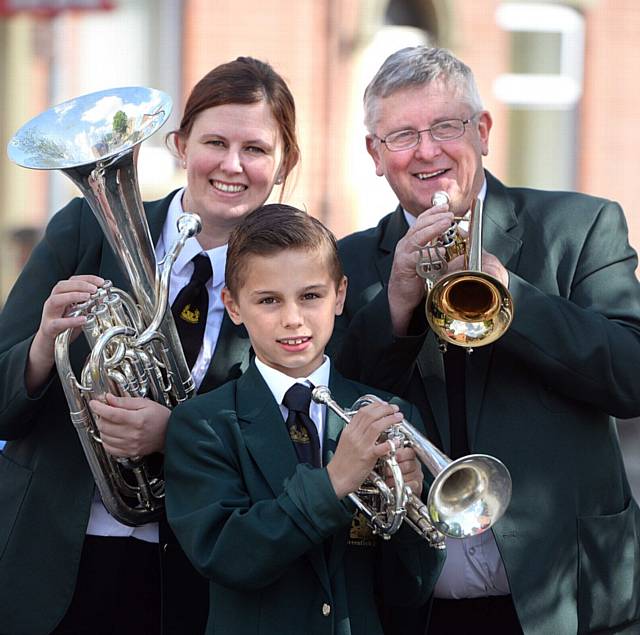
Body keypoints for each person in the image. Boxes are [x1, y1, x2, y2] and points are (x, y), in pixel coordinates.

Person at [332, 46, 640, 635]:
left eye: (446, 126)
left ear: (484, 131)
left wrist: (508, 294)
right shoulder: (347, 262)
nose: (427, 151)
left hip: (569, 595)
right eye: (402, 135)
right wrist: (397, 301)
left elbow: (631, 376)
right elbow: (336, 408)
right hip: (420, 604)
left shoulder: (580, 227)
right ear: (375, 153)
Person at [0, 56, 300, 635]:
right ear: (180, 144)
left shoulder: (296, 275)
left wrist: (176, 433)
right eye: (215, 141)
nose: (232, 165)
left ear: (284, 159)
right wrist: (41, 350)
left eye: (257, 149)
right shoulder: (85, 229)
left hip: (192, 580)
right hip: (49, 561)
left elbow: (292, 439)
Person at [164, 204, 445, 635]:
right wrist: (334, 483)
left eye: (310, 296)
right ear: (233, 307)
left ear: (340, 295)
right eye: (268, 300)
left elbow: (412, 589)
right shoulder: (203, 423)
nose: (293, 318)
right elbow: (228, 556)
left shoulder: (390, 413)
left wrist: (406, 507)